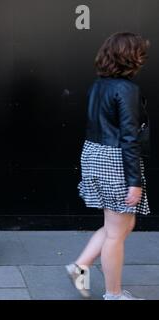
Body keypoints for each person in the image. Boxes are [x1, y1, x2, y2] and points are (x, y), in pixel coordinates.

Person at [67, 32, 150, 300]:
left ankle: (80, 267)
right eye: (139, 52)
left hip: (94, 153)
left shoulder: (98, 86)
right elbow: (128, 135)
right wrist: (134, 181)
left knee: (122, 224)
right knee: (117, 231)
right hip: (116, 158)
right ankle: (113, 294)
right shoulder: (127, 89)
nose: (142, 57)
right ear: (128, 56)